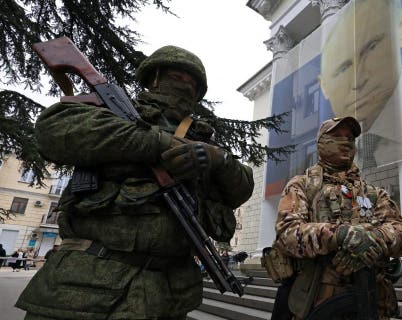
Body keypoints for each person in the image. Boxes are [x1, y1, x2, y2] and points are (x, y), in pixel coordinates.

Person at [16, 45, 254, 320]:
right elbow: (54, 130)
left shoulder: (203, 140)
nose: (185, 86)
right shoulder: (114, 111)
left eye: (192, 83)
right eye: (177, 77)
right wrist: (159, 143)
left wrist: (218, 159)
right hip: (83, 287)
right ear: (154, 78)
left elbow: (241, 188)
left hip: (167, 294)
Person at [271, 117, 402, 319]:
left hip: (370, 300)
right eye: (337, 136)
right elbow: (287, 234)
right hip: (317, 299)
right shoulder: (302, 186)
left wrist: (371, 239)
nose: (345, 141)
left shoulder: (373, 193)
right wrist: (340, 235)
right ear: (321, 143)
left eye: (349, 137)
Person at [318, 0, 402, 167]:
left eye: (371, 47)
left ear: (401, 26)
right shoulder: (326, 166)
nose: (358, 80)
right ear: (323, 86)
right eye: (342, 69)